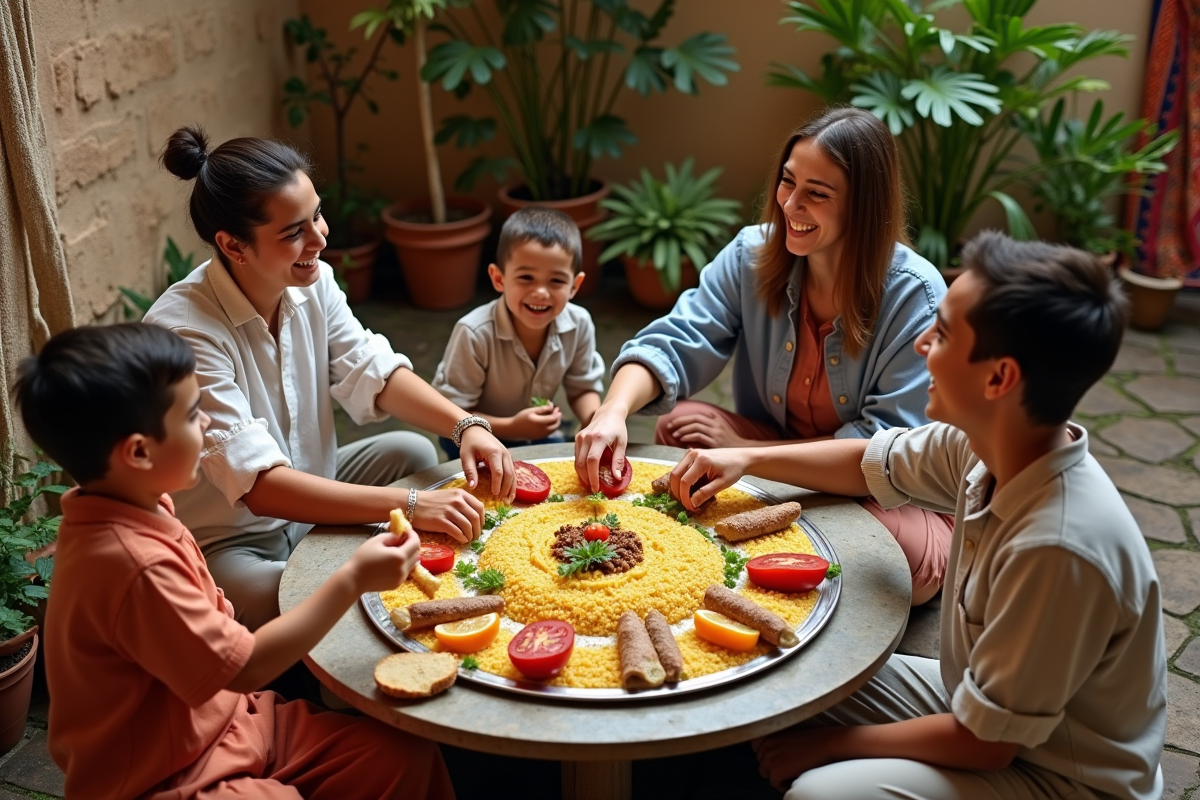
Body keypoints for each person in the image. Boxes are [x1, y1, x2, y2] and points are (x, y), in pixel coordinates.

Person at [669, 232, 1165, 800]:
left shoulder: (1057, 547)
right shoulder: (988, 443)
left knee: (819, 792)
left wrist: (831, 744)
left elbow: (986, 744)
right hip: (977, 702)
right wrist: (745, 456)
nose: (923, 341)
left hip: (1058, 773)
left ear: (999, 378)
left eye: (945, 333)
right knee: (782, 668)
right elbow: (866, 462)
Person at [15, 323, 456, 800]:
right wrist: (351, 578)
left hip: (233, 722)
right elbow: (243, 666)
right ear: (139, 453)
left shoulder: (141, 503)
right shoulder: (133, 564)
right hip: (164, 774)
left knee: (400, 760)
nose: (206, 424)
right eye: (191, 415)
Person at [575, 107, 951, 604]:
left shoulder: (916, 296)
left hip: (891, 493)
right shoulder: (753, 254)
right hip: (778, 450)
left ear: (863, 205)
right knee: (681, 431)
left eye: (816, 194)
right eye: (787, 182)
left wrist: (744, 455)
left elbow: (882, 457)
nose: (791, 205)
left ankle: (774, 528)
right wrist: (612, 411)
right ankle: (779, 532)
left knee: (897, 561)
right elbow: (676, 339)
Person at [145, 126, 514, 630]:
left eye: (316, 214)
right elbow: (259, 486)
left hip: (312, 491)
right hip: (235, 541)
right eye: (293, 231)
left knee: (413, 452)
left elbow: (372, 370)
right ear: (234, 246)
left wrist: (466, 425)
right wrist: (411, 504)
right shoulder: (184, 331)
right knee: (343, 598)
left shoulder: (310, 279)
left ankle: (337, 563)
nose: (319, 237)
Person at [432, 207, 604, 460]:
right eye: (526, 277)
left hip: (534, 434)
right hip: (468, 436)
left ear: (574, 286)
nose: (541, 292)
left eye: (556, 281)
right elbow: (450, 413)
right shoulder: (474, 333)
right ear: (499, 278)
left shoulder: (579, 323)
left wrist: (596, 421)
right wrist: (513, 427)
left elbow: (582, 389)